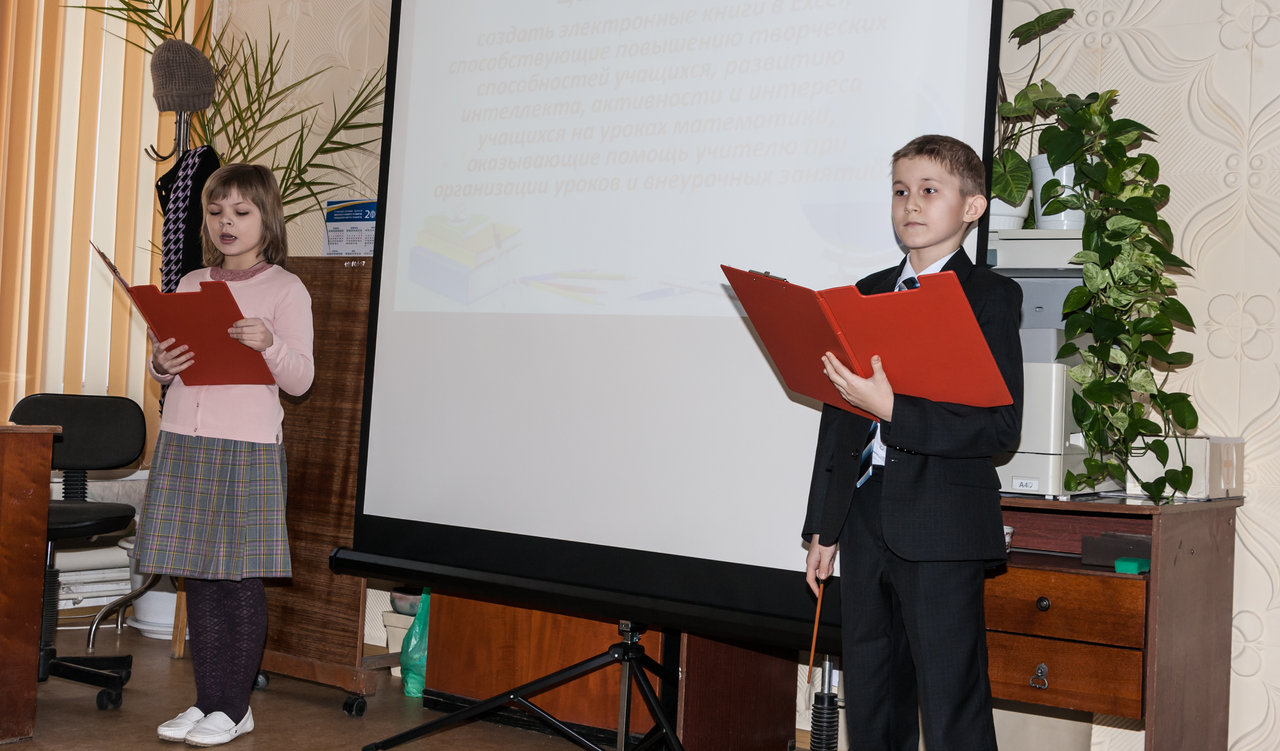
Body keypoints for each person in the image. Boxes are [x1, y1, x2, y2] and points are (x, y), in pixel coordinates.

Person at [802, 134, 1023, 750]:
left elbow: (999, 427)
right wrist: (824, 526)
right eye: (901, 191)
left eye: (929, 190)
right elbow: (839, 419)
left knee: (951, 706)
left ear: (972, 207)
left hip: (942, 523)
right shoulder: (868, 291)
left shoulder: (989, 297)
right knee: (873, 698)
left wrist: (895, 411)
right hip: (865, 517)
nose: (912, 204)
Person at [136, 163, 314, 747]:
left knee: (237, 578)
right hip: (184, 439)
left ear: (268, 219)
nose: (225, 223)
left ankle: (234, 708)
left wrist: (271, 344)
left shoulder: (286, 289)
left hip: (247, 447)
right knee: (199, 576)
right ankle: (208, 700)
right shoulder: (191, 282)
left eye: (240, 212)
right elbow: (171, 362)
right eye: (215, 212)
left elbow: (302, 379)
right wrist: (161, 364)